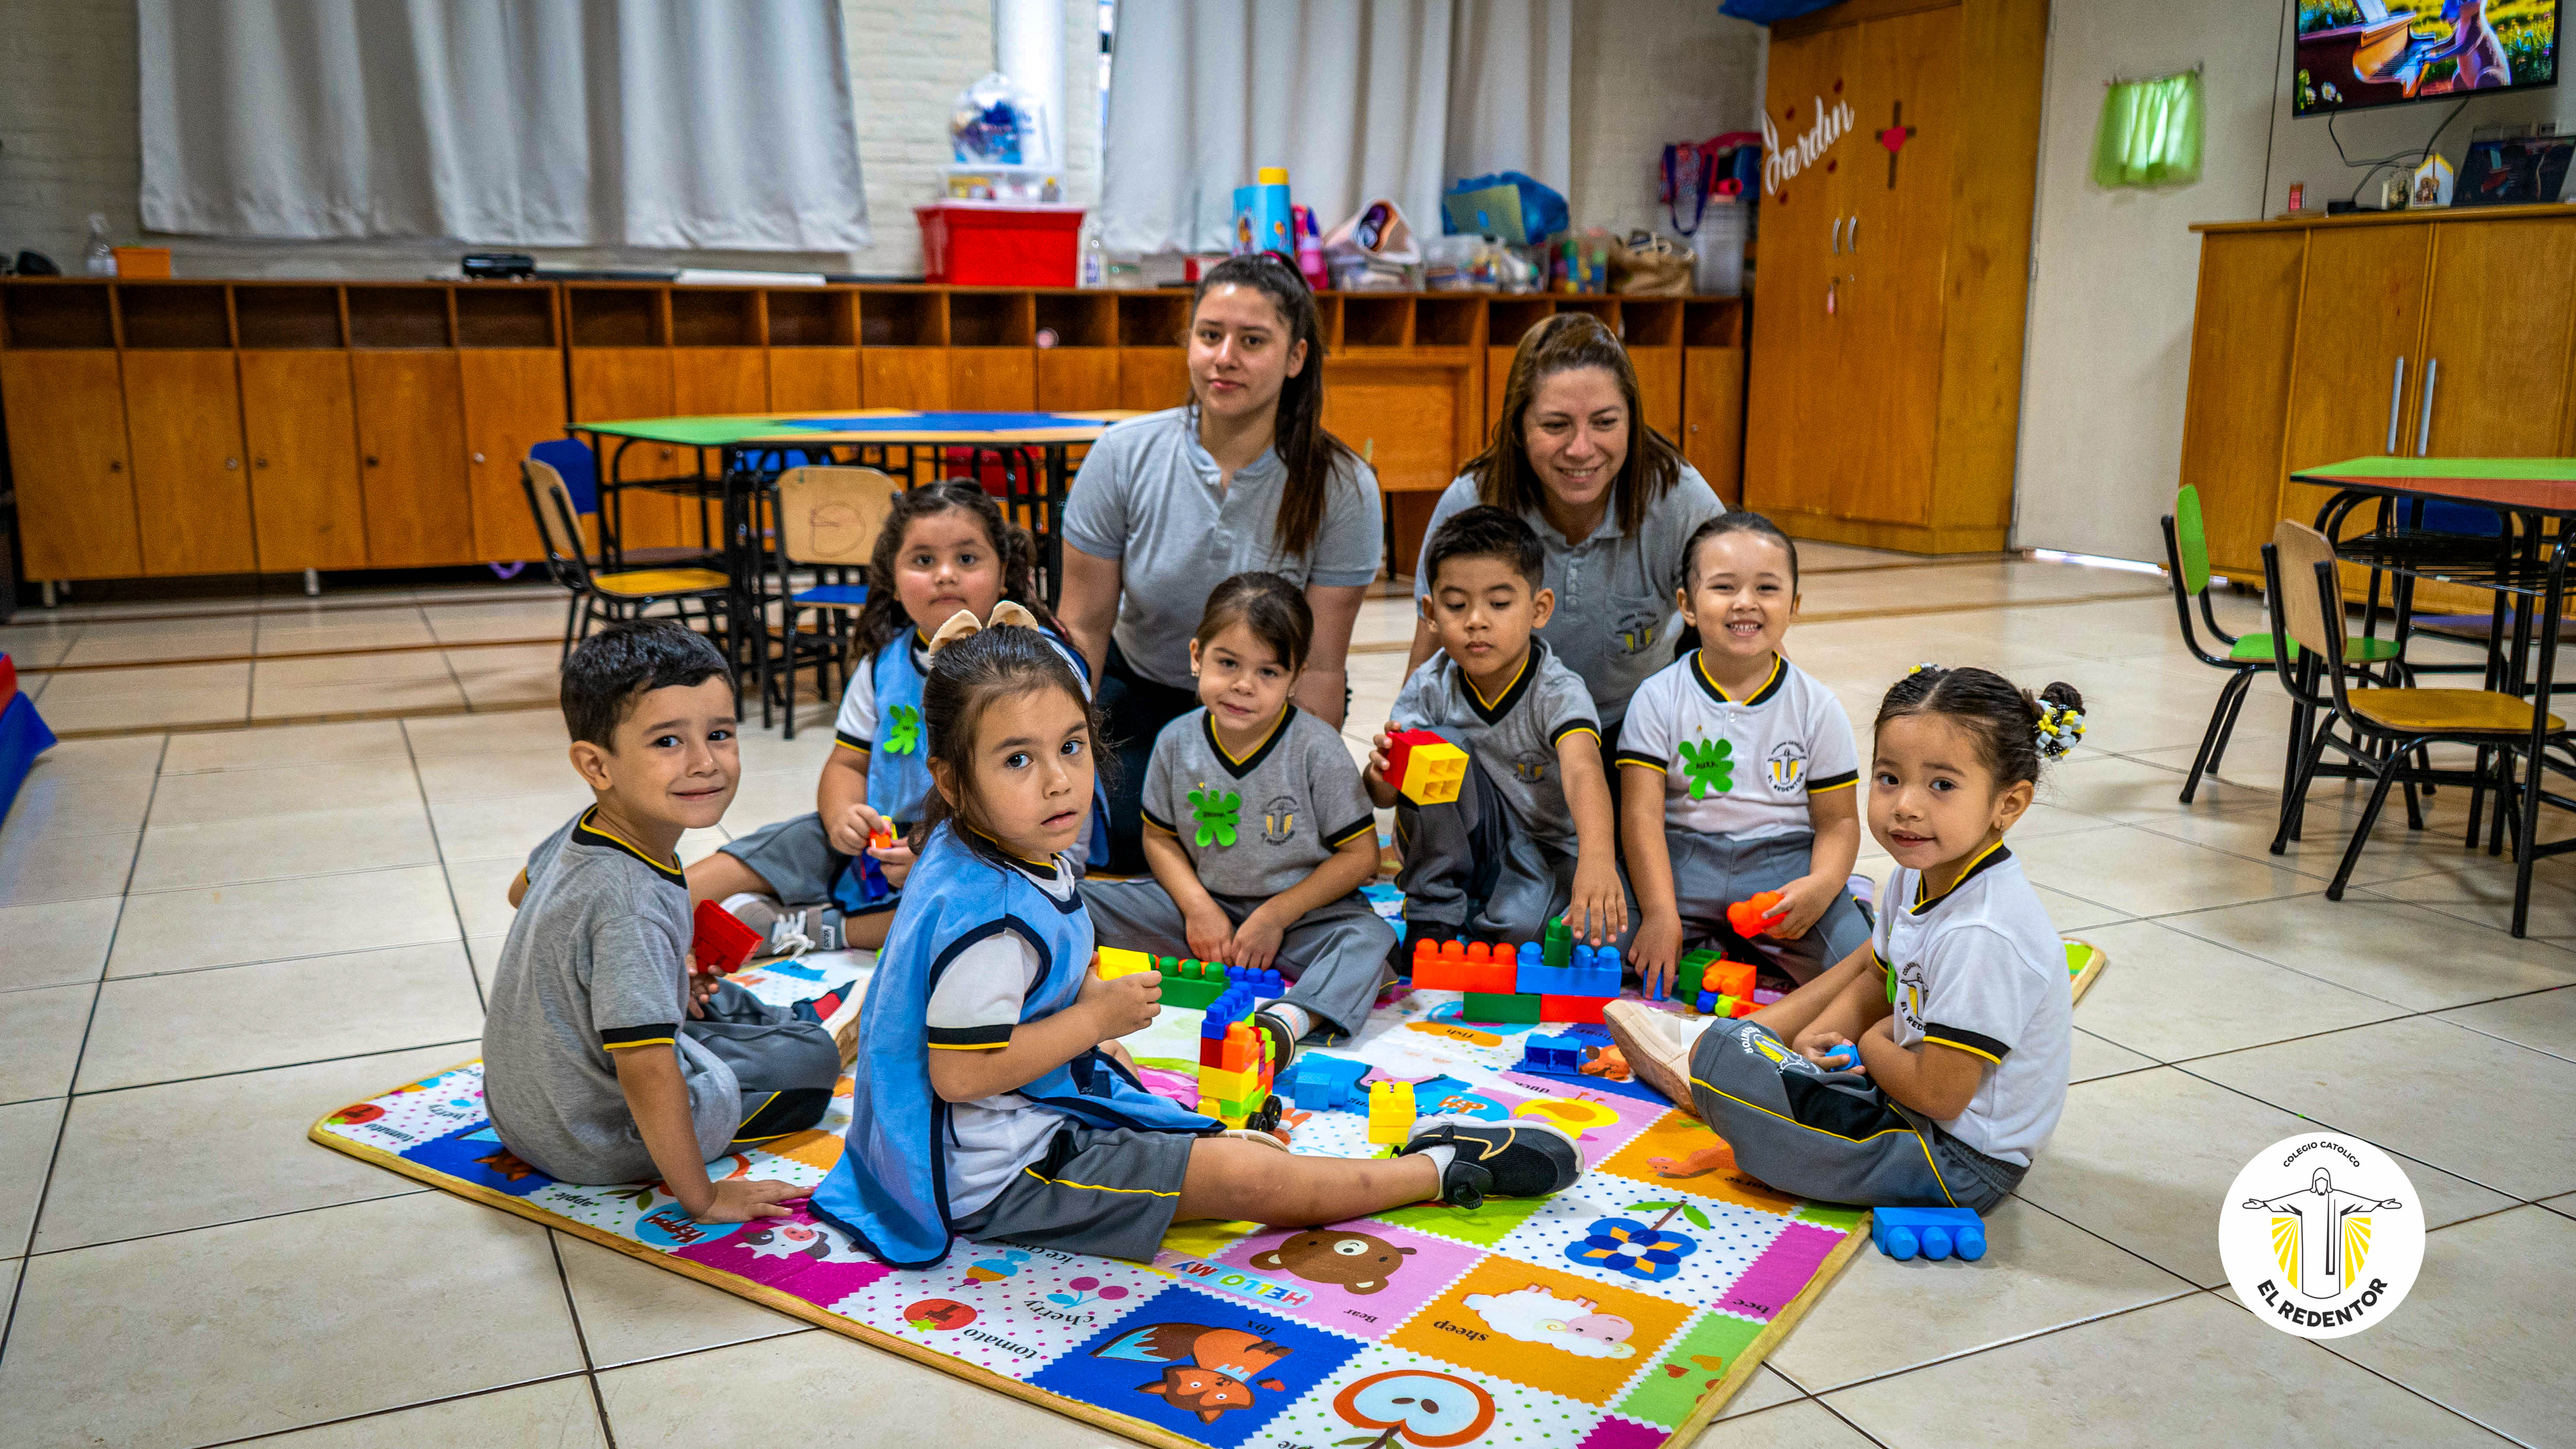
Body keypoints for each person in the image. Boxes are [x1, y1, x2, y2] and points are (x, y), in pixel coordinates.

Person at [808, 620, 1580, 1267]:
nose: (1057, 782)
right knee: (1255, 1180)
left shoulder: (993, 849)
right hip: (997, 1175)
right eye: (1017, 758)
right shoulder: (991, 916)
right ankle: (1440, 1168)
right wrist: (1094, 1020)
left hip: (1022, 1115)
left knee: (1205, 1120)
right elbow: (957, 1073)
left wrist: (1091, 1032)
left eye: (1071, 747)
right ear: (950, 778)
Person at [1602, 666, 2084, 1215]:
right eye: (1889, 778)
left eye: (1942, 785)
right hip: (1912, 1111)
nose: (1906, 805)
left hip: (1957, 1163)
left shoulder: (1984, 932)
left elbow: (1940, 1094)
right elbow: (1876, 976)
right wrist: (1812, 1038)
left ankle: (1702, 1075)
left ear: (2009, 804)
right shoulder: (1918, 872)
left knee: (1727, 1061)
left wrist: (1876, 1044)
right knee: (1746, 1052)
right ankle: (1717, 1071)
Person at [483, 621, 843, 1221]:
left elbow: (522, 891)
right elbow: (647, 1071)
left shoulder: (590, 825)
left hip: (522, 1108)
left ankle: (739, 1019)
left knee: (711, 997)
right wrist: (702, 1196)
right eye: (668, 742)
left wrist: (638, 971)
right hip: (593, 1140)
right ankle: (786, 1030)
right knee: (812, 1061)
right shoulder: (631, 904)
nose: (704, 762)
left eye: (720, 734)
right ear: (597, 765)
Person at [1059, 253, 1383, 873]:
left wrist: (1303, 779)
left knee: (1265, 843)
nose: (1224, 357)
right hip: (1146, 686)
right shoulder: (1123, 455)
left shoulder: (1343, 485)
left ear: (1296, 358)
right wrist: (1066, 754)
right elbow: (1085, 629)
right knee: (1120, 837)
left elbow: (1318, 666)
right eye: (1210, 336)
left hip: (1270, 699)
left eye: (1252, 341)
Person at [682, 480, 1096, 955]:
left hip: (1015, 839)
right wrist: (843, 817)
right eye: (923, 561)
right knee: (791, 841)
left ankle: (811, 929)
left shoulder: (1043, 664)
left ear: (1004, 574)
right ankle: (644, 903)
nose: (945, 575)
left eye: (967, 559)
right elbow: (847, 765)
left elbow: (1060, 784)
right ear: (892, 579)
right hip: (889, 839)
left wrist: (937, 853)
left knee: (974, 904)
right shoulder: (882, 665)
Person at [1083, 572, 1395, 1063]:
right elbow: (1159, 839)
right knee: (1077, 899)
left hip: (1303, 918)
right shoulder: (1175, 742)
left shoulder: (1317, 748)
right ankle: (1064, 983)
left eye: (1269, 673)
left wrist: (1275, 915)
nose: (1243, 685)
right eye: (1227, 663)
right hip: (1204, 911)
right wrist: (1197, 908)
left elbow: (1361, 857)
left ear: (1295, 678)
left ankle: (1294, 1018)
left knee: (1370, 939)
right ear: (1196, 656)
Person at [1405, 312, 1723, 752]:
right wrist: (1406, 749)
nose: (1580, 449)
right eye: (1556, 425)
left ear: (1632, 421)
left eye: (1605, 423)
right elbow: (1431, 650)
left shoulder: (1677, 497)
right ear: (1518, 429)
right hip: (1506, 733)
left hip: (1635, 732)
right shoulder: (1473, 501)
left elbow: (1753, 637)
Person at [1617, 513, 1868, 994]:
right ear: (1687, 606)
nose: (1745, 604)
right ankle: (1711, 939)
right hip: (1680, 861)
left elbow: (1838, 821)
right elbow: (1641, 815)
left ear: (1794, 605)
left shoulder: (1818, 707)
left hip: (1781, 868)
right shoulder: (1657, 697)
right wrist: (1659, 914)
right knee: (1594, 941)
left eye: (1767, 589)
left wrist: (1821, 886)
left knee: (1859, 974)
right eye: (1724, 587)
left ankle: (1737, 940)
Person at [1368, 506, 1628, 961]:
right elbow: (1385, 799)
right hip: (1466, 844)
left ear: (1539, 609)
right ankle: (1435, 914)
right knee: (1438, 747)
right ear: (1430, 612)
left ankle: (1481, 913)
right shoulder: (1429, 685)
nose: (1475, 621)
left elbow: (1584, 771)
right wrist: (1381, 772)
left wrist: (1598, 860)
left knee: (1527, 937)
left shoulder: (1556, 689)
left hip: (1544, 852)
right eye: (1455, 605)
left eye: (1499, 603)